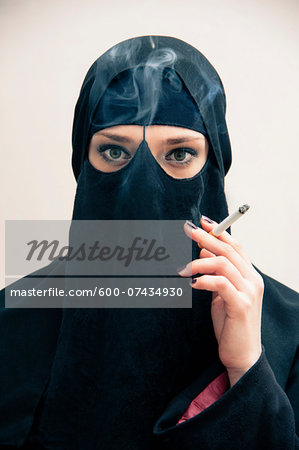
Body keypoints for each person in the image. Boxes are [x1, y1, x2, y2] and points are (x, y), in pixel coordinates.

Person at [0, 35, 298, 450]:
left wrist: (247, 368)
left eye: (178, 154)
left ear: (212, 168)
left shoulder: (290, 330)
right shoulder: (12, 321)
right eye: (114, 151)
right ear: (82, 165)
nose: (142, 189)